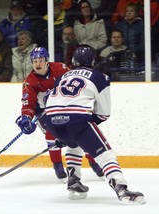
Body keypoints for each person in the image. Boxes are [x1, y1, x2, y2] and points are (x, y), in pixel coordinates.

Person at [43, 45, 145, 204]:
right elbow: (104, 113)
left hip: (51, 123)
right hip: (76, 120)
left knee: (74, 143)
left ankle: (74, 180)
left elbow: (50, 103)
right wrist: (83, 125)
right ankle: (121, 188)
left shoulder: (63, 77)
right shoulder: (99, 77)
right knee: (105, 153)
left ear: (73, 60)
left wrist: (62, 131)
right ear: (92, 60)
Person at [15, 47, 104, 180]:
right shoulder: (30, 82)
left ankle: (93, 161)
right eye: (34, 61)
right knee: (52, 133)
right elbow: (29, 102)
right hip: (44, 111)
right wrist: (26, 118)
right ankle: (57, 164)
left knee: (82, 132)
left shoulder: (60, 69)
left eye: (40, 60)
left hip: (65, 105)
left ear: (47, 61)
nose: (37, 64)